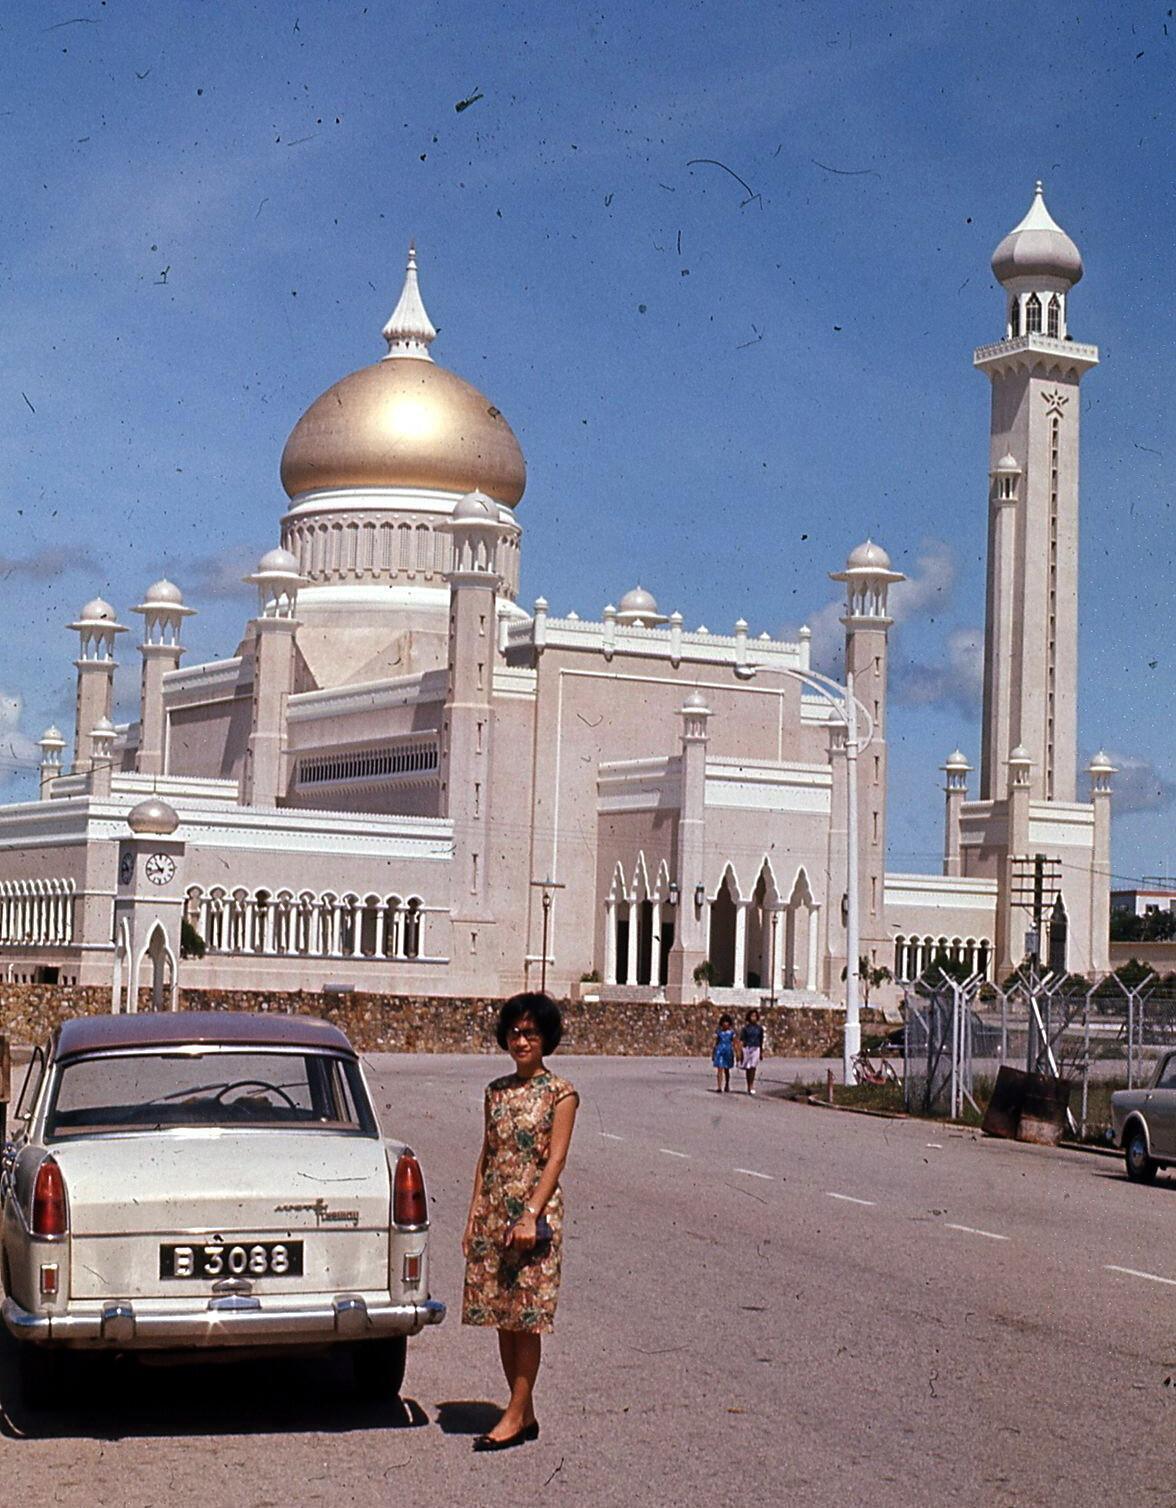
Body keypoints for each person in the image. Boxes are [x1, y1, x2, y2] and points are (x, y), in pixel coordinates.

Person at [462, 992, 579, 1452]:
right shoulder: (496, 1092)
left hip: (534, 1216)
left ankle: (513, 1415)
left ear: (546, 1038)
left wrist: (530, 1213)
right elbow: (487, 1155)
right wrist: (474, 1215)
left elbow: (556, 1160)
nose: (521, 1040)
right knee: (502, 1315)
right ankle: (522, 1411)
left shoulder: (560, 1093)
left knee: (527, 1317)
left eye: (530, 1032)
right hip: (495, 1212)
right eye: (514, 1032)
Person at [740, 1009, 765, 1095]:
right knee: (748, 1067)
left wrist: (761, 1052)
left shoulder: (759, 1029)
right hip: (747, 1048)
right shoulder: (745, 1029)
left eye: (755, 1016)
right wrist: (741, 1052)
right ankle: (748, 1085)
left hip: (756, 1047)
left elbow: (761, 1040)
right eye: (752, 1016)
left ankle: (751, 1085)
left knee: (753, 1067)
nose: (753, 1018)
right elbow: (742, 1040)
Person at [712, 1013, 736, 1092]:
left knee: (727, 1069)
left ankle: (727, 1084)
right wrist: (714, 1052)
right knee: (720, 1068)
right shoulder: (719, 1032)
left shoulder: (731, 1033)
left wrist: (737, 1052)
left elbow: (735, 1042)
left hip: (728, 1051)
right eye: (724, 1022)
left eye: (727, 1022)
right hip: (720, 1050)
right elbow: (716, 1042)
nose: (725, 1024)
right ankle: (719, 1086)